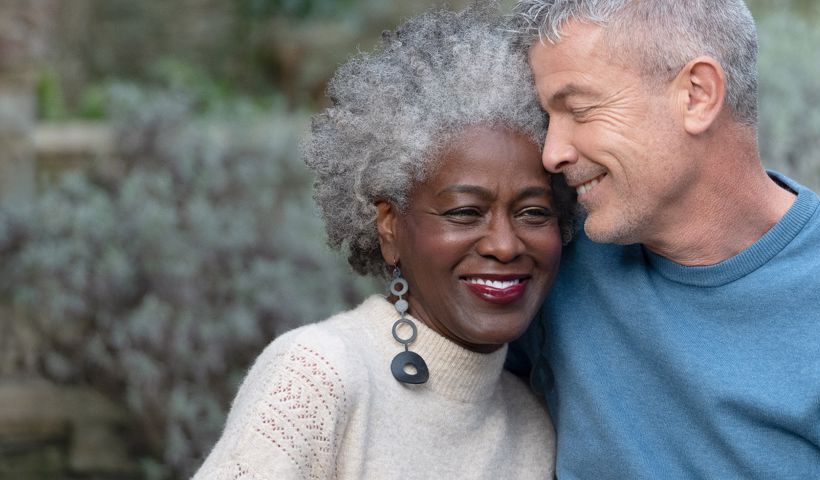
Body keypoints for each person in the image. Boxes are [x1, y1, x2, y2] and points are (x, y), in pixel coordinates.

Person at [193, 5, 574, 479]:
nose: (503, 244)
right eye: (464, 213)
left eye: (533, 213)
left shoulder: (534, 428)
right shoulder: (319, 375)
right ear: (389, 228)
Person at [507, 0, 820, 478]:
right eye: (548, 120)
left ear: (696, 95)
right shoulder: (551, 260)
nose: (552, 154)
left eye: (579, 110)